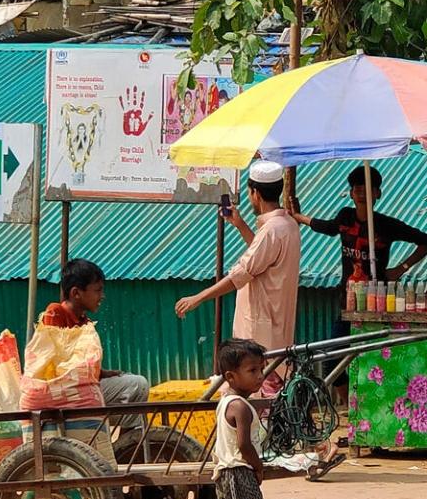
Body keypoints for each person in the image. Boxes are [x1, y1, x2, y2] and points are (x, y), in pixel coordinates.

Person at [175, 160, 301, 399]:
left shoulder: (272, 230)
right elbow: (262, 258)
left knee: (257, 394)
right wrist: (240, 225)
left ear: (254, 193)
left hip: (262, 329)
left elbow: (240, 274)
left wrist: (198, 298)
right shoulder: (287, 225)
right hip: (276, 326)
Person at [297, 166, 427, 331]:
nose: (362, 194)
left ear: (378, 193)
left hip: (376, 303)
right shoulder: (345, 217)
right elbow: (327, 227)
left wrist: (400, 269)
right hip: (348, 302)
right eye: (358, 189)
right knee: (336, 351)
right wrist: (298, 217)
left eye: (367, 189)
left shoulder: (386, 225)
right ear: (351, 193)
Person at [41, 258, 151, 406]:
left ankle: (130, 429)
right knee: (137, 384)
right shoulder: (55, 313)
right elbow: (56, 364)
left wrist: (103, 373)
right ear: (76, 293)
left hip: (80, 388)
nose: (102, 296)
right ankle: (131, 429)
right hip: (65, 391)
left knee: (129, 380)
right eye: (98, 290)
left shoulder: (84, 322)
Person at [211, 337, 273, 499]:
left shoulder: (225, 401)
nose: (260, 376)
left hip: (223, 472)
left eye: (261, 369)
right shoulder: (242, 407)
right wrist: (258, 466)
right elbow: (244, 445)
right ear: (231, 376)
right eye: (252, 371)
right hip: (240, 471)